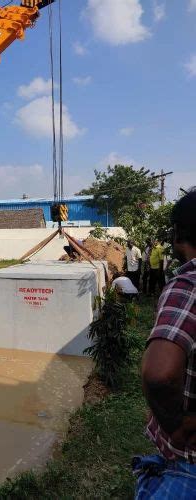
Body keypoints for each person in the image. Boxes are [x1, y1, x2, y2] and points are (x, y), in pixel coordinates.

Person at [134, 190, 196, 497]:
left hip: (188, 464)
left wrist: (172, 423)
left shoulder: (187, 286)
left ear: (178, 235)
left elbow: (158, 374)